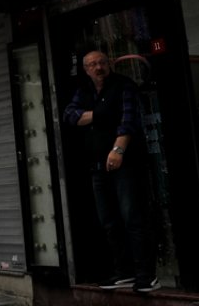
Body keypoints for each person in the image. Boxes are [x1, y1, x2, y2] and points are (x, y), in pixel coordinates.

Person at [64, 51, 159, 293]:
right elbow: (70, 116)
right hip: (96, 165)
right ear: (85, 69)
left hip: (125, 163)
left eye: (102, 63)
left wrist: (118, 150)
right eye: (92, 64)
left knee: (133, 217)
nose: (98, 67)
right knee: (109, 221)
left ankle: (146, 275)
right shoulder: (84, 90)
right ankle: (123, 271)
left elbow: (128, 121)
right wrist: (101, 114)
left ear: (109, 65)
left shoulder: (123, 86)